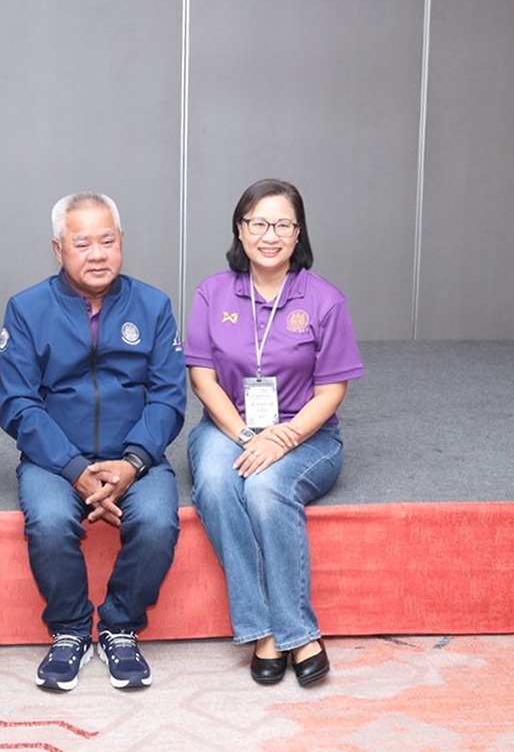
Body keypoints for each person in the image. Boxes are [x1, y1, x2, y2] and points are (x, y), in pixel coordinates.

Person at [0, 192, 186, 692]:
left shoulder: (154, 305)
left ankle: (121, 626)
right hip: (53, 459)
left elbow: (168, 397)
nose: (97, 255)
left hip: (137, 456)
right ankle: (71, 630)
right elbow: (17, 403)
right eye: (82, 244)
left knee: (157, 522)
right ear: (58, 249)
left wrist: (133, 462)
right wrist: (73, 468)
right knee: (50, 522)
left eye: (107, 241)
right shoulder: (27, 309)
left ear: (121, 241)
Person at [185, 179, 363, 688]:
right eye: (259, 223)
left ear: (298, 232)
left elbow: (331, 392)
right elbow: (203, 379)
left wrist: (282, 438)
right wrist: (247, 436)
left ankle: (294, 630)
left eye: (283, 224)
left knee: (265, 487)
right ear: (240, 230)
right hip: (228, 425)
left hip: (308, 434)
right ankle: (266, 627)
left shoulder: (325, 299)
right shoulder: (214, 292)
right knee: (217, 482)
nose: (270, 235)